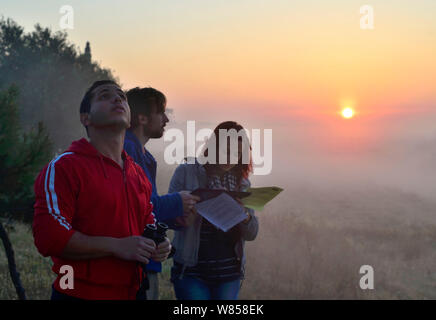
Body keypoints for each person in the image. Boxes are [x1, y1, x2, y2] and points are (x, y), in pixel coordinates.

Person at [32, 80, 172, 300]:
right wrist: (116, 246)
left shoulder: (137, 174)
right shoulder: (65, 167)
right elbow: (49, 236)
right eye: (104, 96)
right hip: (79, 294)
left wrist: (159, 245)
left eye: (122, 97)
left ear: (129, 118)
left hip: (134, 292)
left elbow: (148, 222)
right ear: (85, 118)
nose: (117, 99)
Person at [168, 121, 259, 300]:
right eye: (227, 150)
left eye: (238, 154)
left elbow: (252, 233)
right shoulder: (187, 173)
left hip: (229, 275)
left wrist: (245, 216)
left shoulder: (242, 184)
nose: (231, 158)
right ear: (213, 146)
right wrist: (184, 216)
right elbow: (166, 217)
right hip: (191, 271)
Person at [123, 87, 200, 299]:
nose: (166, 119)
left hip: (145, 263)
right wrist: (178, 201)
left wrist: (177, 219)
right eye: (161, 112)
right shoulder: (129, 152)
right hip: (133, 269)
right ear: (142, 118)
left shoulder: (143, 155)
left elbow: (149, 213)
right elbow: (138, 207)